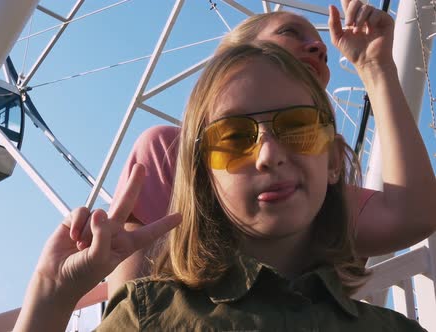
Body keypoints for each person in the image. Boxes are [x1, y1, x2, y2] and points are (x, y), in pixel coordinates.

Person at [13, 42, 427, 331]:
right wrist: (52, 293)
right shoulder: (150, 316)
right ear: (202, 179)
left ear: (335, 161)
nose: (268, 155)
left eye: (298, 127)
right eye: (232, 137)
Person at [107, 0, 436, 297]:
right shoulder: (167, 149)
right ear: (237, 52)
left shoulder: (318, 182)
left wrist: (375, 67)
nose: (320, 48)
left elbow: (411, 215)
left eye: (296, 127)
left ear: (335, 159)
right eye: (291, 32)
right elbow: (131, 297)